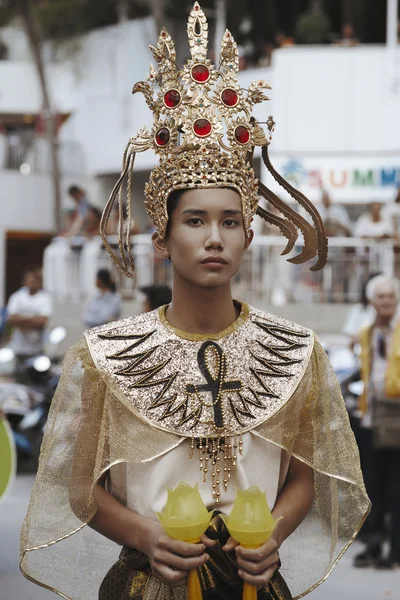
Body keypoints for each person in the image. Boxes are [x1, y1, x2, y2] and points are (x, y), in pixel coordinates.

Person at [21, 5, 369, 600]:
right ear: (162, 236)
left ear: (248, 237)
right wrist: (142, 532)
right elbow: (81, 487)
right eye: (195, 220)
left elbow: (304, 482)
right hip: (147, 582)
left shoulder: (294, 353)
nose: (214, 237)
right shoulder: (107, 356)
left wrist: (272, 536)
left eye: (231, 221)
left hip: (256, 584)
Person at [354, 275, 400, 569]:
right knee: (371, 487)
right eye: (380, 296)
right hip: (371, 419)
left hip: (397, 419)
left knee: (396, 488)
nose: (386, 301)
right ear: (371, 302)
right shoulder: (366, 332)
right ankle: (372, 544)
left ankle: (395, 549)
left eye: (390, 296)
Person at [6, 266, 52, 382]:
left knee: (37, 379)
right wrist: (32, 320)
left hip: (37, 348)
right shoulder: (17, 297)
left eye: (34, 281)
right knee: (20, 378)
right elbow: (11, 318)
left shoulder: (44, 298)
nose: (31, 283)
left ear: (39, 283)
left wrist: (22, 320)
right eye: (29, 280)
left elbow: (42, 321)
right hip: (20, 347)